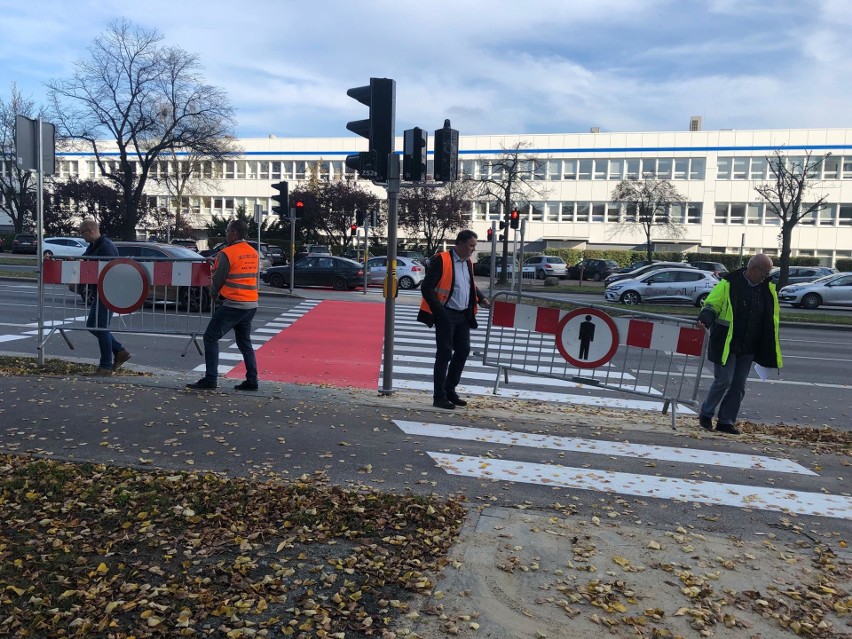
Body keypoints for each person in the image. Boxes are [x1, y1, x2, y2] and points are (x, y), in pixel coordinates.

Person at [695, 253, 782, 435]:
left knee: (738, 386)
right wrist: (705, 318)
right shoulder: (729, 283)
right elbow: (712, 305)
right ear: (753, 269)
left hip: (749, 346)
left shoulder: (767, 288)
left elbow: (770, 316)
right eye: (764, 272)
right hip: (727, 343)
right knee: (724, 381)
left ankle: (726, 421)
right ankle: (706, 413)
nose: (767, 275)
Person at [418, 230, 490, 409]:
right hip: (446, 313)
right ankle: (439, 396)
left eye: (474, 245)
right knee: (444, 354)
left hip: (463, 314)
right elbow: (426, 288)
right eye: (471, 245)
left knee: (463, 351)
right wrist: (439, 312)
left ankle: (449, 389)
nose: (474, 249)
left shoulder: (467, 263)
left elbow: (469, 284)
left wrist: (481, 298)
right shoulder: (442, 260)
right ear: (460, 243)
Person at [187, 220, 259, 391]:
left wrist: (213, 295)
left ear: (234, 233)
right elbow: (242, 272)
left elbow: (218, 281)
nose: (226, 234)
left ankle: (211, 378)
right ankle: (252, 380)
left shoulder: (227, 253)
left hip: (233, 303)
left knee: (210, 337)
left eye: (227, 231)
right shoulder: (253, 252)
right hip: (250, 303)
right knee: (244, 342)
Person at [79, 219, 131, 376]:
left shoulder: (106, 247)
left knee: (100, 327)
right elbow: (84, 260)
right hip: (101, 291)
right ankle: (119, 351)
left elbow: (109, 270)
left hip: (109, 292)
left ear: (91, 230)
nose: (82, 237)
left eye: (83, 233)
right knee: (93, 325)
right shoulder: (94, 246)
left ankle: (106, 366)